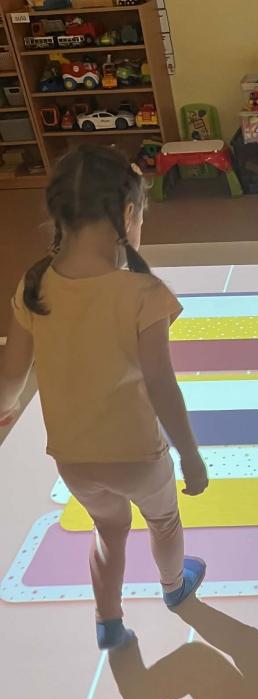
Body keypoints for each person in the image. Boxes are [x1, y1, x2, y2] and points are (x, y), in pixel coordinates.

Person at [0, 146, 209, 651]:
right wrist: (190, 455)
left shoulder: (35, 286)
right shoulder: (143, 293)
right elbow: (161, 385)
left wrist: (4, 411)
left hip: (74, 459)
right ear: (128, 213)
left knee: (109, 530)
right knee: (163, 520)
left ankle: (108, 621)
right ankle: (174, 586)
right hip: (139, 455)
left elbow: (11, 376)